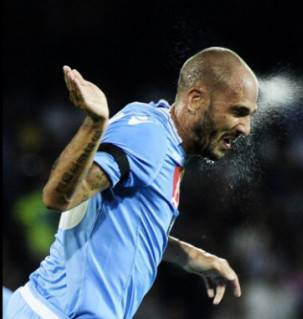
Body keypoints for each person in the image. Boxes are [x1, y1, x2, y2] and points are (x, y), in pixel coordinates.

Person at [6, 47, 258, 318]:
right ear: (195, 100)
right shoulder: (150, 140)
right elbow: (57, 198)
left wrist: (194, 258)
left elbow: (132, 229)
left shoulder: (155, 127)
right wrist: (94, 123)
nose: (246, 127)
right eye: (238, 112)